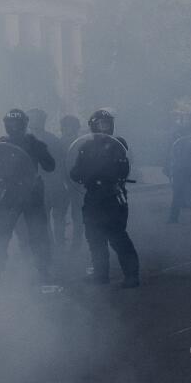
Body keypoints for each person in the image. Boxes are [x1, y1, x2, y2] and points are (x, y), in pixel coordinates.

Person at [0, 109, 54, 281]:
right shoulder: (0, 145)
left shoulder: (33, 143)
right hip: (8, 194)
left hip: (31, 193)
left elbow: (50, 166)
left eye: (16, 123)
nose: (13, 126)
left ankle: (43, 270)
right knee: (0, 233)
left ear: (23, 124)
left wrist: (40, 150)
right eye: (9, 123)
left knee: (38, 233)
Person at [70, 109, 140, 287]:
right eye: (101, 124)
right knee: (94, 238)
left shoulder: (118, 144)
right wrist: (80, 174)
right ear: (93, 125)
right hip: (93, 196)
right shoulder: (85, 147)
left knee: (117, 236)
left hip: (112, 195)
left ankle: (132, 276)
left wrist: (96, 171)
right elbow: (75, 172)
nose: (104, 128)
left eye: (107, 124)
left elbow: (122, 169)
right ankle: (100, 275)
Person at [31, 109, 73, 249]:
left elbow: (62, 162)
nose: (37, 122)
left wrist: (65, 183)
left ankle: (58, 245)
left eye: (38, 119)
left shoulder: (53, 140)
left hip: (54, 185)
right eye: (34, 119)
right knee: (45, 219)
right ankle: (53, 246)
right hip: (39, 186)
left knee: (57, 218)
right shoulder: (27, 141)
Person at [167, 113, 191, 224]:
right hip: (180, 167)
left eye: (189, 119)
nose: (187, 121)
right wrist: (169, 166)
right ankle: (173, 218)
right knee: (177, 193)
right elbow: (171, 149)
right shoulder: (176, 133)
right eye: (185, 119)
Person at [58, 115, 85, 250]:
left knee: (77, 215)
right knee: (59, 214)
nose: (69, 130)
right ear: (62, 129)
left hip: (77, 184)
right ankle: (60, 242)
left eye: (72, 127)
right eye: (66, 127)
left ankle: (77, 243)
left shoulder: (82, 143)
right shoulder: (57, 143)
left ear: (76, 129)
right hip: (60, 184)